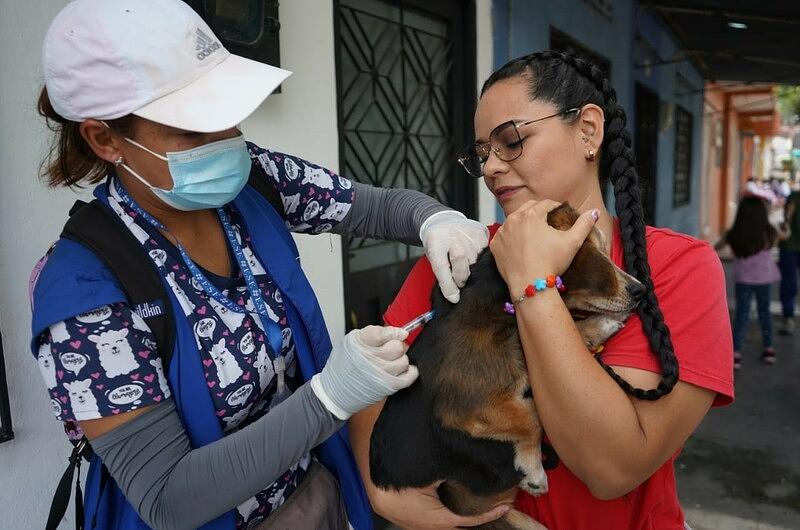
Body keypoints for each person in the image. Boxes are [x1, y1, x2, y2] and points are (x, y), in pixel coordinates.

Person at [29, 1, 489, 529]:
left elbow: (377, 207)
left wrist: (437, 221)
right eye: (193, 130)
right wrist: (330, 397)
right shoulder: (82, 295)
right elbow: (166, 499)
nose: (227, 142)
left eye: (227, 115)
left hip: (316, 493)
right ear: (105, 139)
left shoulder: (252, 182)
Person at [349, 50, 734, 530]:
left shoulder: (681, 267)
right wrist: (383, 493)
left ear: (588, 131)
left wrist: (534, 282)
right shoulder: (461, 257)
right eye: (482, 153)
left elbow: (610, 467)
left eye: (511, 141)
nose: (491, 168)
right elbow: (372, 387)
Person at [717, 196, 783, 368]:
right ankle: (769, 348)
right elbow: (779, 239)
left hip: (743, 279)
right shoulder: (769, 232)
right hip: (763, 280)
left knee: (742, 314)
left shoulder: (733, 233)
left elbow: (715, 247)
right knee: (764, 312)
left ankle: (736, 353)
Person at [778, 188, 800, 335]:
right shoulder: (794, 196)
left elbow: (787, 219)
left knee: (789, 283)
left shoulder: (794, 196)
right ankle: (788, 316)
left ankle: (789, 317)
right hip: (790, 246)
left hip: (790, 247)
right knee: (789, 283)